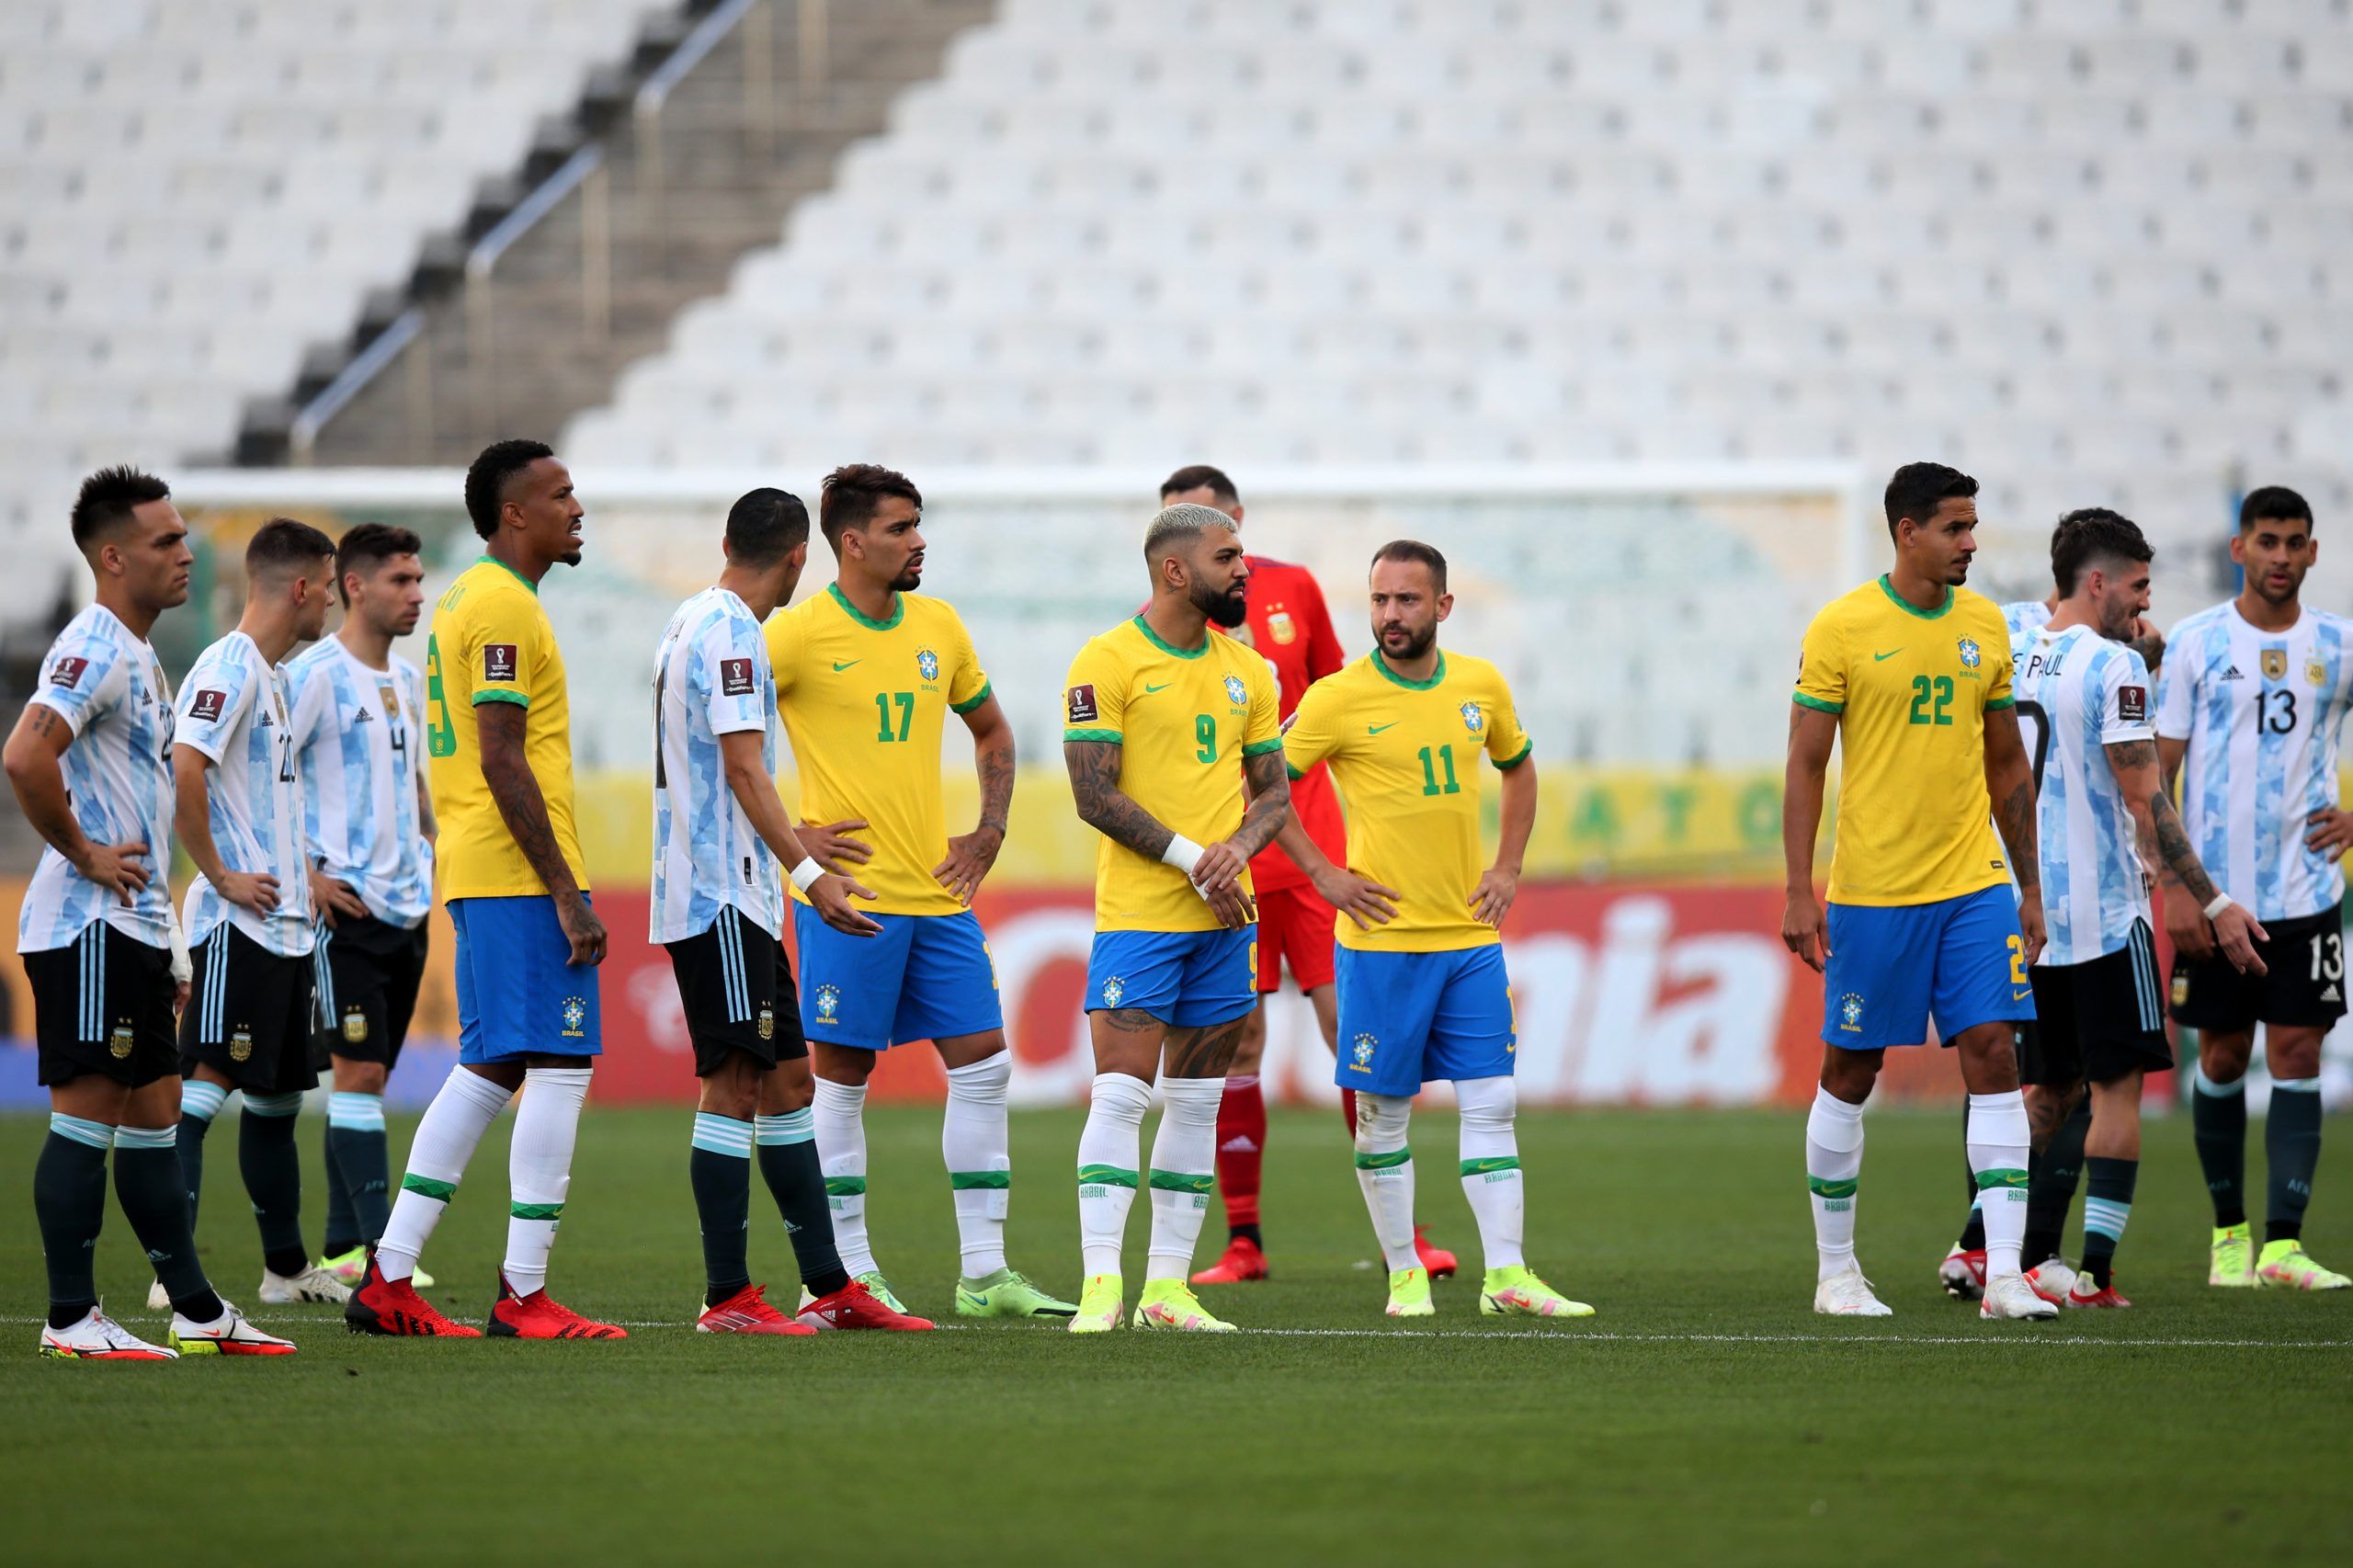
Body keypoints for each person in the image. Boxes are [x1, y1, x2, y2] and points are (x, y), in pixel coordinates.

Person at [771, 465, 1072, 1320]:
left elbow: (992, 729)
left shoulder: (938, 624)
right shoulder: (796, 635)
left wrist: (990, 829)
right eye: (902, 528)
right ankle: (844, 1273)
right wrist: (796, 850)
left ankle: (983, 1275)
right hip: (850, 899)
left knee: (984, 1064)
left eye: (919, 524)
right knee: (843, 1078)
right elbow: (721, 736)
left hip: (938, 895)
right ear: (853, 541)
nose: (919, 540)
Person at [6, 467, 291, 1357]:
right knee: (86, 1122)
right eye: (165, 540)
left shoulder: (137, 653)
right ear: (112, 554)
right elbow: (25, 755)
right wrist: (85, 853)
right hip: (87, 926)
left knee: (158, 1118)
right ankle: (69, 1317)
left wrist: (165, 941)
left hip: (132, 928)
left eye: (182, 535)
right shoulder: (92, 644)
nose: (184, 552)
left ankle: (200, 1309)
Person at [1155, 465, 1457, 1289]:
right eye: (1181, 528)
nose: (1204, 549)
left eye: (1213, 526)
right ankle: (1242, 1241)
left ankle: (1410, 1236)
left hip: (1319, 854)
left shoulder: (1294, 590)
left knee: (1354, 1036)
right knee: (1234, 1042)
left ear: (1239, 523)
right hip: (1233, 864)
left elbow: (1346, 696)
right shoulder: (1159, 630)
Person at [347, 439, 620, 1338]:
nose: (577, 506)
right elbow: (502, 755)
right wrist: (565, 892)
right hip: (513, 871)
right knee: (549, 1064)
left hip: (484, 863)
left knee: (506, 1060)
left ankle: (394, 1273)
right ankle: (518, 1291)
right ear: (515, 513)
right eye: (561, 493)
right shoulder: (501, 603)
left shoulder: (469, 595)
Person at [1274, 541, 1588, 1320]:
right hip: (1380, 944)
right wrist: (1323, 873)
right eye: (1379, 601)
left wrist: (1508, 866)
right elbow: (1265, 780)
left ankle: (1507, 1277)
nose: (1390, 615)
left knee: (1492, 1102)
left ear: (1442, 607)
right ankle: (1405, 1271)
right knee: (1383, 1114)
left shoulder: (1481, 685)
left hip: (1469, 939)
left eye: (1407, 601)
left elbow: (1518, 766)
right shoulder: (1338, 696)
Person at [653, 486, 931, 1332]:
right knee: (735, 1083)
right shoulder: (737, 632)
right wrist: (810, 872)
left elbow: (720, 769)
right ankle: (727, 1296)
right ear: (802, 557)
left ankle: (829, 1284)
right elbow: (742, 767)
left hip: (730, 884)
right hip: (719, 891)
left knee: (785, 1082)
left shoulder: (687, 619)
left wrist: (789, 842)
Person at [1783, 461, 2053, 1321]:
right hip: (1874, 892)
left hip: (1973, 882)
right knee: (1850, 1071)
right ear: (1907, 531)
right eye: (1955, 528)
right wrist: (1799, 888)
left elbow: (2006, 760)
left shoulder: (1983, 626)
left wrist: (2030, 887)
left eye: (1973, 527)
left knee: (1996, 1057)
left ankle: (2004, 1274)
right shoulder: (1844, 626)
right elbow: (1805, 762)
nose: (1971, 543)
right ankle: (1836, 1274)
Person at [1998, 510, 2267, 1308]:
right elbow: (2146, 800)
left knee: (2044, 1095)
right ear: (2098, 581)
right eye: (2139, 585)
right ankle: (2095, 1274)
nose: (2146, 604)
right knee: (2115, 1093)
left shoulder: (2017, 651)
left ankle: (2005, 1256)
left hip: (2032, 914)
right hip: (2109, 916)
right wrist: (2211, 898)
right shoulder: (2113, 666)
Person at [1061, 502, 1290, 1332]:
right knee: (1120, 1098)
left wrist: (1234, 850)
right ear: (1174, 570)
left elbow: (1274, 795)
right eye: (1228, 557)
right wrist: (1198, 858)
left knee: (1196, 1105)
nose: (1244, 570)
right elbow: (1093, 794)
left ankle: (1167, 1290)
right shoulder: (1107, 660)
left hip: (1228, 921)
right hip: (1142, 919)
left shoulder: (1250, 671)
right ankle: (1100, 1286)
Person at [2159, 484, 2353, 1290]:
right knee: (2227, 1053)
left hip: (2308, 890)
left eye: (2294, 542)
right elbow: (2154, 774)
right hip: (2215, 897)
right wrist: (2176, 886)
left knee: (2300, 1050)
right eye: (2266, 540)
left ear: (2313, 551)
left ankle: (2283, 1247)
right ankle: (2228, 1235)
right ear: (2238, 549)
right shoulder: (2195, 642)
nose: (2280, 556)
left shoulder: (2340, 645)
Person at [170, 517, 348, 1309]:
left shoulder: (274, 677)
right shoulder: (229, 666)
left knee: (276, 1102)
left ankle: (283, 1271)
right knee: (201, 1093)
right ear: (303, 587)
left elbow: (257, 795)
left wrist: (299, 873)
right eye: (331, 588)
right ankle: (172, 1275)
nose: (334, 608)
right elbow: (187, 765)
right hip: (236, 926)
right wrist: (220, 875)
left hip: (284, 929)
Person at [283, 524, 438, 1289]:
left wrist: (430, 847)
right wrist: (305, 873)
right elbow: (265, 775)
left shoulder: (408, 682)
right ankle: (382, 1259)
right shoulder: (314, 674)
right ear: (355, 585)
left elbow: (413, 785)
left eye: (418, 580)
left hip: (407, 906)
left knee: (367, 1080)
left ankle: (344, 1250)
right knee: (361, 1075)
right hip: (345, 907)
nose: (416, 594)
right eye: (401, 581)